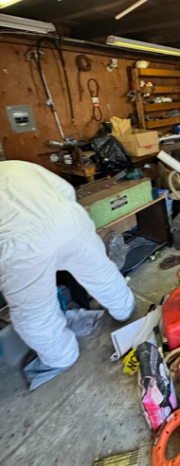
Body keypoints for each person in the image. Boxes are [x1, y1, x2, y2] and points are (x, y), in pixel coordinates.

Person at [0, 160, 135, 383]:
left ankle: (62, 357)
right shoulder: (14, 166)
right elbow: (66, 189)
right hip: (68, 220)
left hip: (20, 246)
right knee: (100, 272)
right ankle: (124, 308)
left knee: (35, 312)